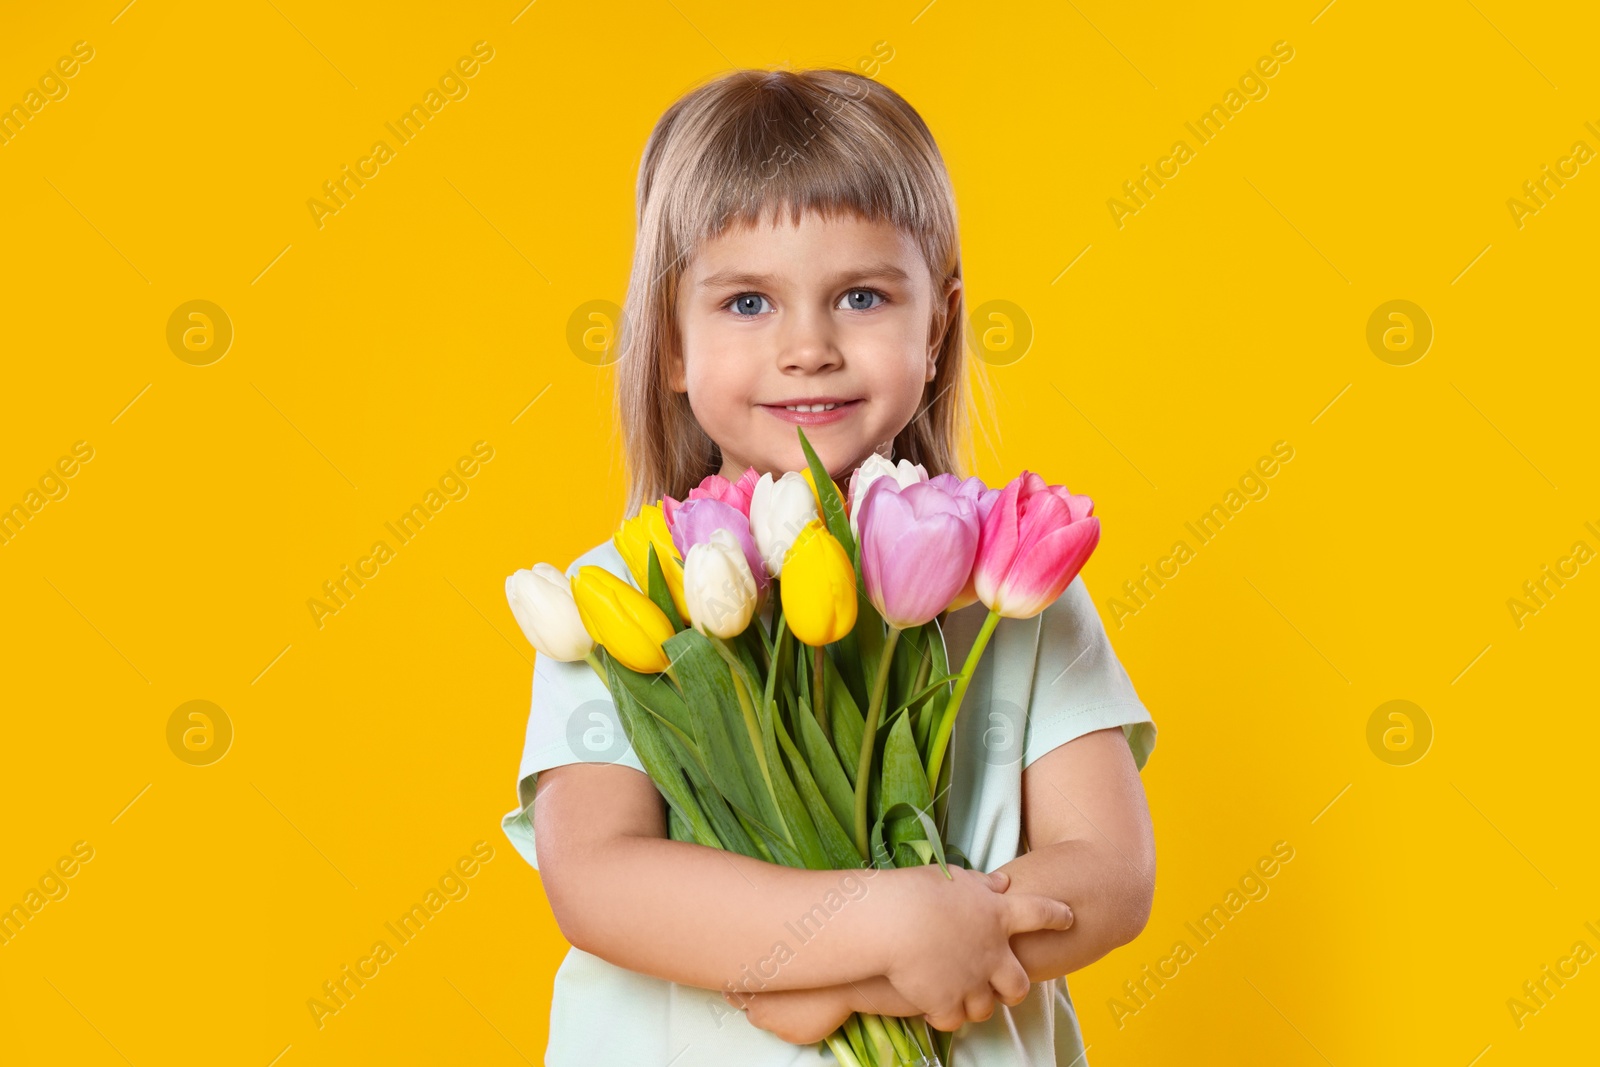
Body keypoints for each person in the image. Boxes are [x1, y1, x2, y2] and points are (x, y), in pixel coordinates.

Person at [501, 66, 1158, 1065]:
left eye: (859, 295)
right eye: (747, 302)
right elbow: (597, 879)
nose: (807, 347)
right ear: (670, 343)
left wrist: (867, 965)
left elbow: (1110, 873)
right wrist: (885, 932)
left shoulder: (1011, 585)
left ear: (935, 328)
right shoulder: (627, 589)